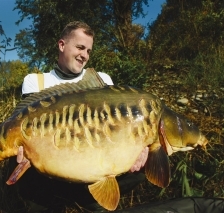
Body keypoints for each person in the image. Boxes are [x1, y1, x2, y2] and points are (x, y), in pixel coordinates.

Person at [15, 21, 146, 212]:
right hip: (48, 175)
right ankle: (57, 202)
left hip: (91, 168)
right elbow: (25, 124)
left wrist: (139, 149)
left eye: (89, 51)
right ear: (61, 45)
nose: (84, 55)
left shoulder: (103, 81)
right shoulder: (35, 82)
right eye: (80, 47)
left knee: (148, 161)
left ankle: (87, 199)